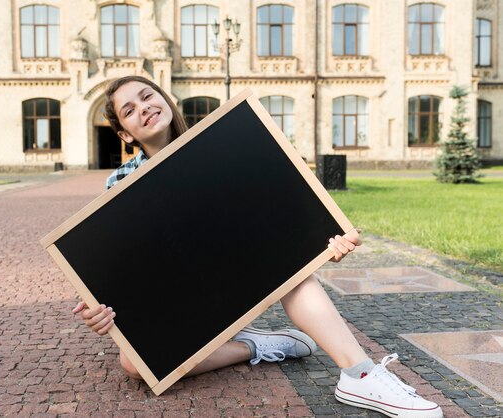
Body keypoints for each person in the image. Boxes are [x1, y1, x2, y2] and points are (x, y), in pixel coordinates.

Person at [72, 76, 442, 418]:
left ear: (164, 98)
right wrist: (99, 308)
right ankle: (257, 347)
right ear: (124, 133)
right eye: (130, 110)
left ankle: (359, 375)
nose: (144, 108)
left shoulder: (226, 142)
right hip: (186, 298)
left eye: (147, 95)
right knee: (135, 366)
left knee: (294, 271)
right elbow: (123, 267)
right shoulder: (119, 184)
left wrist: (323, 239)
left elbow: (275, 212)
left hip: (242, 276)